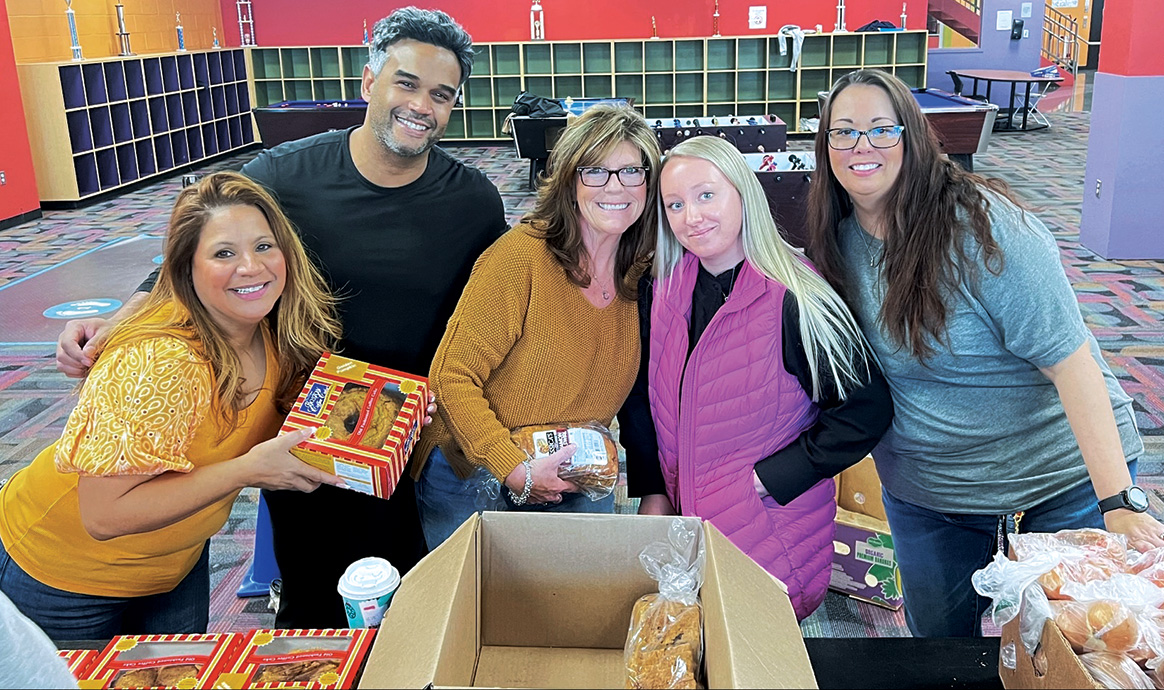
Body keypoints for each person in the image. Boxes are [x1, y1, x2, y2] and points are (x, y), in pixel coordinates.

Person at [53, 8, 507, 629]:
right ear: (370, 81)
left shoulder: (471, 199)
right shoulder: (282, 176)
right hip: (301, 417)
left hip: (408, 428)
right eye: (406, 82)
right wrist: (118, 319)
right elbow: (193, 250)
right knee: (315, 602)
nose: (421, 105)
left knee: (409, 594)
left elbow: (499, 300)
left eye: (441, 94)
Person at [806, 68, 1164, 637]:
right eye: (843, 132)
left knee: (1066, 648)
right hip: (930, 492)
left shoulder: (985, 229)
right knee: (941, 650)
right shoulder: (836, 239)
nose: (861, 146)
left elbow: (1072, 365)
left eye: (881, 129)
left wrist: (1119, 499)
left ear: (914, 137)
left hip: (1056, 478)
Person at [0, 172, 344, 642]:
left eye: (264, 247)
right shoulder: (162, 358)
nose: (251, 267)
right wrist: (246, 471)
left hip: (174, 559)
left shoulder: (274, 329)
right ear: (185, 269)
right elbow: (103, 517)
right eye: (224, 253)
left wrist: (391, 426)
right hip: (67, 572)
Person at [618, 135, 893, 621]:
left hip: (770, 530)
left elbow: (863, 411)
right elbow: (646, 399)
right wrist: (653, 488)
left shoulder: (796, 297)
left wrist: (766, 481)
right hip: (688, 524)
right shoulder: (665, 289)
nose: (692, 217)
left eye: (707, 195)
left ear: (743, 193)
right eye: (675, 204)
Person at [414, 104, 661, 549]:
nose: (615, 187)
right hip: (475, 466)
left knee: (572, 598)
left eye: (631, 172)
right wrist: (513, 467)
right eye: (595, 171)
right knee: (480, 609)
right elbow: (450, 377)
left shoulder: (641, 271)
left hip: (572, 463)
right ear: (568, 179)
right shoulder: (519, 259)